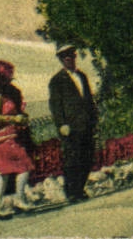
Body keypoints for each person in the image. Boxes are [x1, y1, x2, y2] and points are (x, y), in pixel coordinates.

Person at [0, 60, 39, 215]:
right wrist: (14, 119)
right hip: (4, 137)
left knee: (5, 172)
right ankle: (19, 199)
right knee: (24, 166)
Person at [48, 45, 99, 203]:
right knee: (72, 159)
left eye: (71, 56)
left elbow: (88, 100)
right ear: (62, 60)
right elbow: (55, 105)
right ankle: (71, 192)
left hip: (86, 124)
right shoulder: (57, 81)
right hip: (70, 127)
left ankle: (80, 188)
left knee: (87, 156)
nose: (69, 60)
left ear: (75, 57)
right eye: (65, 58)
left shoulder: (82, 76)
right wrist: (61, 124)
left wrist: (94, 119)